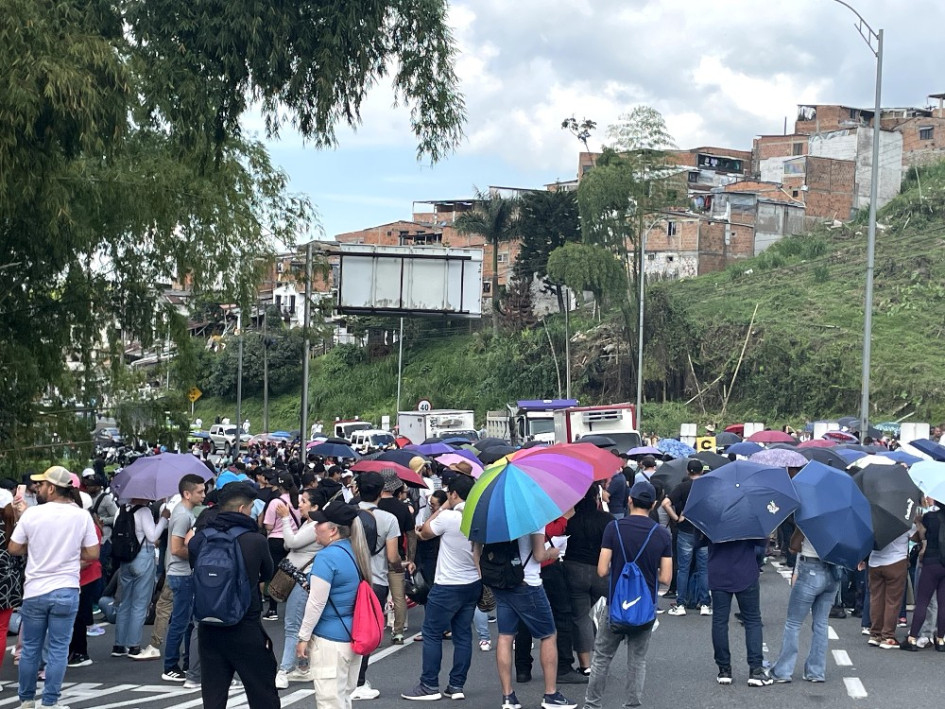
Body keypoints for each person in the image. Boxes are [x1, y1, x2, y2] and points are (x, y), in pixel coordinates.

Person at [9, 466, 99, 709]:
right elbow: (93, 553)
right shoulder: (81, 516)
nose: (37, 488)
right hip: (66, 588)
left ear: (51, 488)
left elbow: (14, 548)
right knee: (59, 649)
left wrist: (34, 547)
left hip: (35, 590)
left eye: (41, 484)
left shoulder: (32, 514)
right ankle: (50, 702)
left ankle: (27, 700)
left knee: (30, 648)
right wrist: (70, 553)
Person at [582, 481, 672, 709]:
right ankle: (632, 705)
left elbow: (602, 570)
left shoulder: (614, 528)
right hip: (645, 607)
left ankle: (592, 705)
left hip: (615, 604)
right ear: (653, 504)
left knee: (602, 657)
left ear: (629, 500)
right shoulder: (661, 534)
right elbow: (666, 578)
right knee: (637, 661)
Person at [189, 482, 279, 709]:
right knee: (262, 692)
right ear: (242, 509)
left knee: (214, 695)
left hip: (209, 626)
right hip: (244, 624)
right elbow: (267, 573)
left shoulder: (200, 539)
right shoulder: (255, 541)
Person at [479, 526, 576, 709]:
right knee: (548, 635)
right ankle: (551, 694)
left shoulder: (496, 520)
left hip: (502, 582)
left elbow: (477, 550)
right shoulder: (533, 519)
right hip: (528, 583)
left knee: (505, 636)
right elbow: (538, 555)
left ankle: (508, 696)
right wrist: (552, 552)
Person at [402, 475, 480, 701]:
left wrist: (444, 506)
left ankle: (429, 684)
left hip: (448, 584)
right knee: (463, 635)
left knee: (432, 633)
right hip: (472, 582)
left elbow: (425, 532)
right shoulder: (479, 516)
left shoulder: (448, 517)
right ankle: (456, 685)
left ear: (454, 494)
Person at [295, 500, 374, 709]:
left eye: (319, 523)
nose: (315, 527)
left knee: (329, 702)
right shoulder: (355, 551)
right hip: (351, 635)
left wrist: (303, 637)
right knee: (343, 698)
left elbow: (316, 603)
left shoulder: (327, 557)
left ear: (332, 530)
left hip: (329, 641)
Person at [352, 471, 401, 700]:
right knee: (367, 633)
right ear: (381, 492)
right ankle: (359, 681)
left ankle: (345, 677)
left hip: (350, 578)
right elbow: (392, 557)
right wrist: (401, 566)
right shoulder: (389, 519)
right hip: (376, 582)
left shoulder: (349, 514)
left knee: (346, 629)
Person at [769, 528, 841, 682]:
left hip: (810, 568)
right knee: (821, 623)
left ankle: (783, 670)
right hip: (833, 571)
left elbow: (794, 546)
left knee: (793, 623)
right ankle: (816, 671)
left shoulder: (811, 517)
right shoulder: (844, 520)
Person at [707, 537, 772, 686]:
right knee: (753, 621)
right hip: (745, 571)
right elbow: (761, 542)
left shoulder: (712, 521)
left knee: (719, 621)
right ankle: (755, 670)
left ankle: (724, 670)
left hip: (718, 572)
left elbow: (698, 542)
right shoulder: (750, 521)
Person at [160, 475, 207, 680]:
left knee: (186, 622)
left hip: (183, 573)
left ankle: (187, 662)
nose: (203, 495)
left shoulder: (184, 513)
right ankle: (170, 666)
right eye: (200, 492)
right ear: (187, 493)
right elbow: (176, 548)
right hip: (181, 573)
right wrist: (199, 554)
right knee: (180, 622)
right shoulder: (182, 515)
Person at [275, 487, 322, 688]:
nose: (299, 505)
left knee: (293, 624)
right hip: (299, 577)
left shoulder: (315, 526)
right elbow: (289, 544)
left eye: (304, 501)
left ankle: (284, 670)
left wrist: (286, 519)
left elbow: (291, 542)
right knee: (301, 624)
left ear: (315, 506)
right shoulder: (308, 523)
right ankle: (303, 666)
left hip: (302, 579)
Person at [565, 483, 614, 676]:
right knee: (601, 616)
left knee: (581, 617)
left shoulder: (570, 521)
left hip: (575, 569)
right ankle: (602, 661)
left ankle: (585, 665)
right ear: (596, 499)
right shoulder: (607, 520)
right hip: (601, 570)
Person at [113, 497, 170, 657]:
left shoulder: (121, 510)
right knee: (140, 603)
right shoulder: (144, 511)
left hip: (125, 559)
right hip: (143, 557)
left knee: (125, 602)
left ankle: (119, 645)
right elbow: (152, 536)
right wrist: (163, 519)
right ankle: (134, 645)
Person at [662, 460, 711, 616]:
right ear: (702, 471)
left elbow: (665, 503)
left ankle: (681, 604)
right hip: (703, 531)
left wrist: (676, 518)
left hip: (685, 531)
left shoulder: (682, 487)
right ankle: (704, 604)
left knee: (683, 569)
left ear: (688, 472)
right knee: (703, 569)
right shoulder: (708, 487)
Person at [377, 469, 416, 645]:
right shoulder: (402, 508)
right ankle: (398, 632)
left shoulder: (374, 506)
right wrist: (411, 558)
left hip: (374, 557)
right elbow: (411, 535)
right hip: (397, 556)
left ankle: (374, 630)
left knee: (374, 595)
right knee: (398, 596)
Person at [902, 502, 945, 651]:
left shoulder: (930, 517)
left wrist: (918, 522)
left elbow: (922, 537)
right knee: (943, 604)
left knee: (922, 601)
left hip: (931, 562)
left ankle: (912, 638)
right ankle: (940, 639)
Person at [261, 471, 301, 622]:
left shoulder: (275, 502)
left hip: (276, 541)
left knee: (275, 575)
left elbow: (269, 525)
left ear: (279, 486)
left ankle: (272, 609)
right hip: (294, 539)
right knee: (292, 574)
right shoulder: (299, 500)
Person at [867, 525, 913, 649]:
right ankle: (887, 636)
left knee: (876, 599)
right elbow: (916, 537)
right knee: (892, 601)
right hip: (896, 561)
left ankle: (875, 633)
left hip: (875, 561)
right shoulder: (905, 519)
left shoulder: (875, 519)